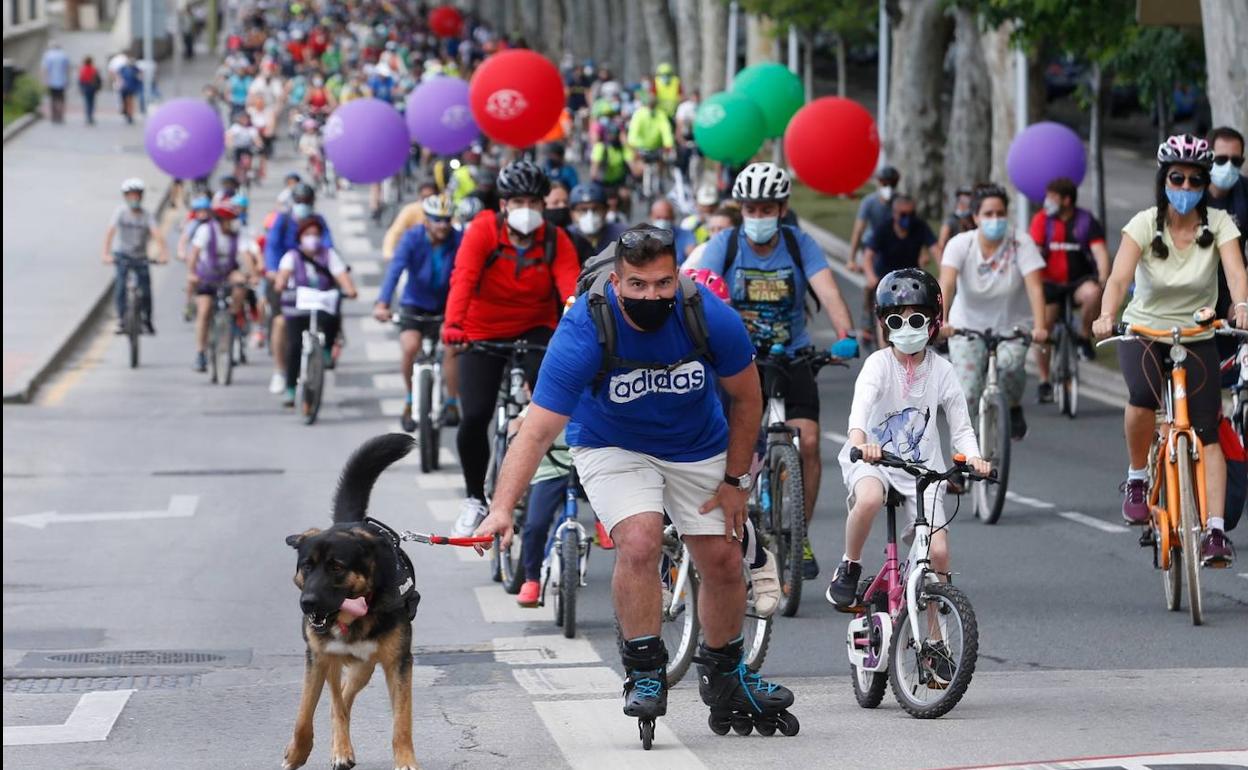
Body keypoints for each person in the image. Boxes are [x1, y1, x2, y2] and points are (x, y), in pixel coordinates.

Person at [473, 224, 797, 732]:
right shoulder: (585, 328)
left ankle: (725, 672)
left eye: (663, 283)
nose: (653, 295)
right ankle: (645, 670)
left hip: (696, 443)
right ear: (618, 283)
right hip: (611, 442)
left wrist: (736, 482)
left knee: (724, 559)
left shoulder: (707, 315)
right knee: (641, 540)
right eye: (639, 285)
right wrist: (500, 507)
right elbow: (536, 432)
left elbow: (748, 397)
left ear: (677, 279)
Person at [697, 162, 860, 579]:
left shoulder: (798, 243)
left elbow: (827, 287)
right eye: (751, 208)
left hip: (794, 354)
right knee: (738, 443)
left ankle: (799, 534)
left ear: (783, 208)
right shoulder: (725, 244)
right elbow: (699, 290)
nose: (758, 217)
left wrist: (845, 332)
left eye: (767, 208)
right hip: (741, 358)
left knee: (807, 441)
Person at [1093, 134, 1247, 565]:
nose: (1184, 187)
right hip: (1145, 330)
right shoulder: (1144, 224)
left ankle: (1215, 533)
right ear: (1164, 180)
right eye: (1176, 179)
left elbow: (1236, 273)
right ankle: (1138, 477)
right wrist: (1107, 313)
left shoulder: (1219, 224)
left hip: (1198, 334)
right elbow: (1119, 280)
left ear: (1204, 183)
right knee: (1142, 395)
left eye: (1194, 179)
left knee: (1208, 428)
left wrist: (1242, 306)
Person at [825, 269, 990, 619]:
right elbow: (860, 412)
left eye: (916, 318)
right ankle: (849, 564)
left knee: (940, 553)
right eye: (896, 320)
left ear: (933, 322)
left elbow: (961, 427)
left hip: (922, 470)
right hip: (873, 460)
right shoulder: (877, 365)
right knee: (869, 498)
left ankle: (935, 641)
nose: (907, 327)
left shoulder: (943, 370)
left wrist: (974, 459)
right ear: (884, 324)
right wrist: (860, 443)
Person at [443, 161, 580, 537]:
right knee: (475, 415)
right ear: (503, 204)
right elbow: (464, 277)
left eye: (534, 202)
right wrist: (454, 325)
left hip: (537, 331)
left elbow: (571, 292)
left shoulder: (556, 239)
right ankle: (475, 497)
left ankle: (541, 480)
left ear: (543, 206)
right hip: (480, 332)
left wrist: (579, 331)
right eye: (517, 201)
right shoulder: (482, 230)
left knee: (553, 407)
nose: (526, 209)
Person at [938, 184, 1048, 440]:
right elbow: (946, 284)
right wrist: (941, 321)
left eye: (1000, 213)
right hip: (966, 326)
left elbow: (1035, 288)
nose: (995, 219)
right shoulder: (960, 245)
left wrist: (1041, 327)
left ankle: (1011, 405)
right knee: (967, 393)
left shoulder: (1020, 243)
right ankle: (962, 465)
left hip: (1013, 326)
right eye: (988, 214)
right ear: (975, 217)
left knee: (1010, 368)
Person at [374, 195, 463, 432]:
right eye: (436, 220)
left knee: (451, 345)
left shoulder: (459, 240)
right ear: (426, 221)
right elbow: (395, 270)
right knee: (410, 346)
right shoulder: (411, 239)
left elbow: (468, 273)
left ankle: (452, 401)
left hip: (447, 303)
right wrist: (382, 302)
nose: (442, 225)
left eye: (446, 220)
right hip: (415, 302)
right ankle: (410, 398)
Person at [1029, 177, 1110, 403]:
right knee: (1042, 329)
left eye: (1053, 197)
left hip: (1078, 282)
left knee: (1094, 292)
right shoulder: (1041, 221)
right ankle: (1044, 380)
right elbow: (1033, 252)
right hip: (1050, 284)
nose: (1047, 201)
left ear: (1066, 200)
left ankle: (1084, 337)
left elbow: (1100, 253)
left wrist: (1104, 279)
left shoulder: (1085, 221)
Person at [274, 218, 358, 409]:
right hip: (297, 307)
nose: (312, 239)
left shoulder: (329, 255)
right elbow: (283, 275)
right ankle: (290, 388)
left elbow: (341, 276)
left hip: (322, 304)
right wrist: (280, 283)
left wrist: (349, 289)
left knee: (333, 316)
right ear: (300, 237)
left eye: (315, 234)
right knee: (295, 345)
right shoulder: (291, 256)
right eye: (307, 235)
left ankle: (327, 349)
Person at [265, 183, 335, 394]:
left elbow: (329, 247)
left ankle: (328, 347)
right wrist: (273, 271)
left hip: (314, 280)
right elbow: (272, 247)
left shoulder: (319, 222)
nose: (302, 205)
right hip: (286, 279)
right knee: (280, 323)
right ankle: (280, 371)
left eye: (306, 202)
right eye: (299, 201)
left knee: (334, 306)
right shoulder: (283, 221)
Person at [861, 193, 936, 342]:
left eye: (911, 214)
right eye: (903, 214)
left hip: (911, 279)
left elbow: (936, 250)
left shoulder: (920, 227)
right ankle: (868, 325)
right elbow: (868, 256)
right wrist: (871, 276)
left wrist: (942, 273)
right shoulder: (883, 228)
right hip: (885, 279)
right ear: (894, 214)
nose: (907, 218)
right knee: (875, 298)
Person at [187, 201, 249, 372]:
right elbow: (194, 253)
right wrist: (192, 273)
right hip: (207, 276)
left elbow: (246, 255)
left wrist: (253, 275)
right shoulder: (206, 230)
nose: (232, 223)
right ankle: (200, 354)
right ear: (221, 220)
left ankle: (232, 318)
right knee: (204, 310)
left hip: (227, 273)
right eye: (229, 220)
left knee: (241, 283)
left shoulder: (238, 233)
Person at [102, 178, 167, 334]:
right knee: (120, 287)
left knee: (146, 289)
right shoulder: (120, 212)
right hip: (122, 255)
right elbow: (110, 232)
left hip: (141, 257)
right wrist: (106, 253)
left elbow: (157, 234)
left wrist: (163, 253)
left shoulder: (147, 215)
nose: (134, 198)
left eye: (136, 195)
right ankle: (121, 320)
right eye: (130, 195)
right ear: (126, 197)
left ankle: (147, 320)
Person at [1205, 126, 1248, 363]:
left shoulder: (1245, 191)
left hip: (1235, 285)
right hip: (1197, 286)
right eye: (1221, 159)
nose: (1229, 166)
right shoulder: (1191, 189)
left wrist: (1242, 300)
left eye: (1236, 160)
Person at [847, 165, 901, 274]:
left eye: (892, 183)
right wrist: (851, 259)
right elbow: (858, 230)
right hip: (872, 246)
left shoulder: (902, 203)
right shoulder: (869, 202)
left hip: (894, 247)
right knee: (873, 278)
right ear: (879, 182)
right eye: (884, 183)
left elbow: (914, 228)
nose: (888, 186)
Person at [381, 181, 439, 260]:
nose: (427, 201)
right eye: (424, 197)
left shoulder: (443, 212)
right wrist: (388, 252)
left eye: (430, 197)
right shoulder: (411, 210)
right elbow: (394, 232)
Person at [568, 182, 627, 258]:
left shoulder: (621, 235)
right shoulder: (567, 237)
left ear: (606, 211)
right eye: (583, 210)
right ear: (572, 213)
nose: (589, 215)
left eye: (596, 209)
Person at [626, 91, 674, 181]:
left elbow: (666, 130)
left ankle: (660, 184)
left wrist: (668, 144)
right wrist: (633, 147)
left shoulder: (660, 114)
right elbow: (633, 132)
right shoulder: (639, 114)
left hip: (656, 148)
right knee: (637, 168)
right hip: (640, 149)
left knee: (662, 164)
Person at [683, 205, 742, 270]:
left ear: (737, 229)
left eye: (721, 229)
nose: (715, 234)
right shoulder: (702, 249)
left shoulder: (748, 248)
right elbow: (684, 274)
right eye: (712, 230)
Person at [648, 199, 697, 263]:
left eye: (666, 218)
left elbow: (693, 255)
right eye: (658, 218)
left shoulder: (686, 235)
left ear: (673, 218)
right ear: (651, 217)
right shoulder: (643, 237)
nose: (662, 222)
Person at [934, 186, 975, 261]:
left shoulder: (973, 220)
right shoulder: (951, 220)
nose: (967, 203)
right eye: (964, 200)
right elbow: (942, 243)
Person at [41, 42, 70, 124]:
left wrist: (45, 80)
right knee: (61, 99)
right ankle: (60, 115)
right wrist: (67, 79)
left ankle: (54, 115)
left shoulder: (48, 55)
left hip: (51, 81)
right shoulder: (64, 55)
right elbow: (67, 68)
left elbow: (44, 69)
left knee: (53, 99)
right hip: (62, 81)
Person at [77, 55, 102, 126]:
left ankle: (88, 116)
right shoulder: (94, 69)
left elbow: (81, 80)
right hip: (92, 87)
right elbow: (98, 80)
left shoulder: (83, 69)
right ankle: (91, 116)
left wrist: (80, 88)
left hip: (86, 86)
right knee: (92, 102)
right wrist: (98, 88)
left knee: (87, 102)